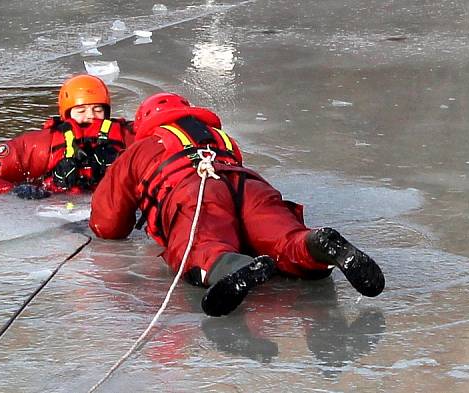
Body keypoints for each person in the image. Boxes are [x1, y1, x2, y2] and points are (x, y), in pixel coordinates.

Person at [89, 92, 385, 317]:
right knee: (280, 232)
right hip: (249, 184)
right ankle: (314, 246)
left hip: (195, 190)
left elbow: (108, 222)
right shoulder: (220, 138)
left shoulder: (142, 146)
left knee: (203, 243)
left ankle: (233, 268)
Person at [0, 74, 134, 198]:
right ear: (67, 113)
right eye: (81, 110)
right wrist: (15, 191)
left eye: (98, 109)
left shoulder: (126, 137)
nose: (90, 116)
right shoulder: (42, 144)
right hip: (56, 211)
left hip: (112, 208)